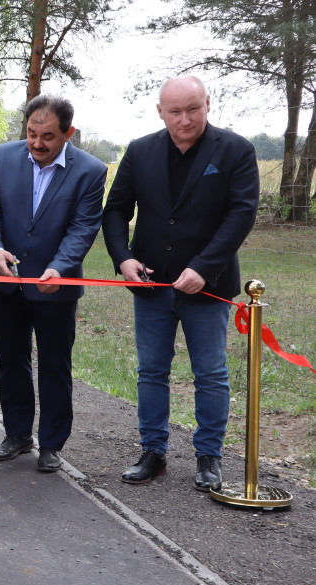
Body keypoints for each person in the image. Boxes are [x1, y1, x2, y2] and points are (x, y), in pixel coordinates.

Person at [102, 75, 259, 490]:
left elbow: (241, 214)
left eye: (193, 109)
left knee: (210, 374)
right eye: (175, 111)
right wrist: (123, 257)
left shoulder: (236, 150)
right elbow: (115, 210)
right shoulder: (139, 151)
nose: (185, 119)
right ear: (160, 111)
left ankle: (209, 458)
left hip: (208, 287)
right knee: (151, 371)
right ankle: (153, 451)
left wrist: (204, 267)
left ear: (208, 103)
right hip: (151, 284)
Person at [0, 94, 107, 472]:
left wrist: (61, 268)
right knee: (11, 361)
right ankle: (17, 434)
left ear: (68, 133)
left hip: (55, 286)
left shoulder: (90, 171)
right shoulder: (3, 155)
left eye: (47, 136)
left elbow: (83, 228)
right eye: (32, 133)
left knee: (54, 364)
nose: (36, 143)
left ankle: (52, 443)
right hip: (5, 282)